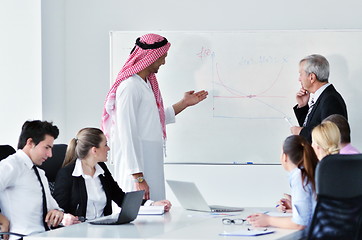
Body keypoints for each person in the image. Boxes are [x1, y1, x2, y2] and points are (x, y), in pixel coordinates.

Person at [101, 33, 208, 201]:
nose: (163, 62)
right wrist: (138, 177)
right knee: (139, 216)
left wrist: (184, 103)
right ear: (151, 57)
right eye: (162, 58)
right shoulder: (130, 87)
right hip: (137, 170)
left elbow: (153, 120)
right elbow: (126, 133)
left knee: (157, 212)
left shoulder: (146, 84)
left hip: (149, 164)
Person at [53, 128, 171, 225]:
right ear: (94, 150)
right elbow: (58, 211)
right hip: (79, 232)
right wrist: (64, 219)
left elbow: (121, 198)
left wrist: (151, 204)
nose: (108, 149)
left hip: (104, 229)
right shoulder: (67, 174)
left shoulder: (102, 169)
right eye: (105, 145)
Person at [0, 120, 64, 239]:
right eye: (46, 147)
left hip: (46, 235)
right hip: (23, 236)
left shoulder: (39, 172)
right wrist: (2, 220)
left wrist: (56, 211)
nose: (50, 154)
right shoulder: (12, 165)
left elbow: (52, 205)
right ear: (30, 142)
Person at [247, 135, 319, 229]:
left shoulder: (299, 177)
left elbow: (300, 224)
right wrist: (293, 205)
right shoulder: (308, 171)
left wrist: (268, 220)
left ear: (285, 157)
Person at [291, 54, 347, 143]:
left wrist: (300, 132)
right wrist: (302, 106)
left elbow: (329, 136)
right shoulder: (323, 96)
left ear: (312, 77)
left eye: (301, 74)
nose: (299, 79)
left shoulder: (331, 99)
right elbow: (313, 126)